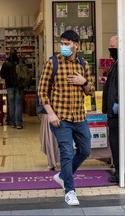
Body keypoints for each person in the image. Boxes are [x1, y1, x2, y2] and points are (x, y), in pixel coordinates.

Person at [38, 30, 95, 206]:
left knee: (85, 150)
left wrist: (83, 82)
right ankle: (69, 191)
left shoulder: (83, 64)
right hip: (60, 118)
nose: (63, 47)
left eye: (67, 43)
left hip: (79, 116)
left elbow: (91, 90)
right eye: (61, 43)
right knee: (67, 153)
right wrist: (51, 113)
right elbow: (42, 91)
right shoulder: (52, 63)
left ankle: (63, 176)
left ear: (76, 45)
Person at [102, 35, 120, 183]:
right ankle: (118, 170)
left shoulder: (120, 65)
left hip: (116, 112)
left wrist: (114, 106)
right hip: (113, 111)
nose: (110, 50)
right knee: (114, 141)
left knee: (116, 141)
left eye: (112, 47)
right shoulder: (116, 64)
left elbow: (117, 90)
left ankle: (119, 171)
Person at [0, 48, 29, 129]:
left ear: (9, 54)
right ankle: (18, 123)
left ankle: (12, 123)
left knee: (11, 105)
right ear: (16, 53)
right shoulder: (20, 62)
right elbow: (25, 73)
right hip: (19, 86)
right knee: (18, 105)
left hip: (9, 86)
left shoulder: (5, 63)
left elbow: (2, 75)